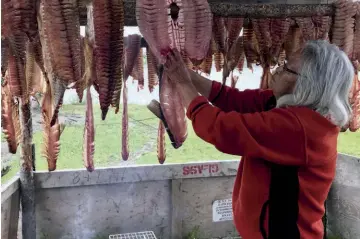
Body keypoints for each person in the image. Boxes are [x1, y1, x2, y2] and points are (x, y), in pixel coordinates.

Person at [163, 40, 354, 239]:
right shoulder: (286, 106)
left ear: (308, 84)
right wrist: (185, 74)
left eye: (288, 69)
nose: (277, 70)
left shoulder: (299, 129)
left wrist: (183, 83)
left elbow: (219, 129)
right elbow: (233, 100)